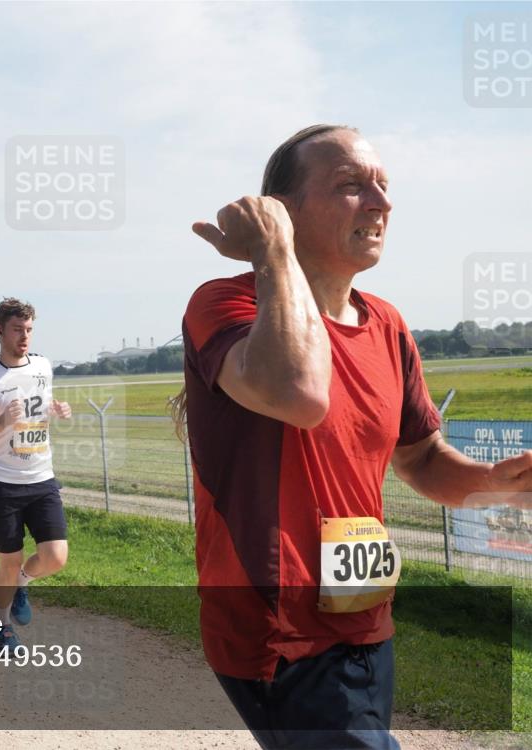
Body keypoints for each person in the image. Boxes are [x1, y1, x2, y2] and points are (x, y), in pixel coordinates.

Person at [181, 124, 532, 749]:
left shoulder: (388, 324)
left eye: (383, 187)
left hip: (365, 619)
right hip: (277, 634)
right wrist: (274, 256)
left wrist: (494, 485)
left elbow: (421, 459)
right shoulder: (224, 305)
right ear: (282, 214)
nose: (380, 203)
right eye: (350, 186)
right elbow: (299, 393)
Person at [0, 298, 72, 655]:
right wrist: (1, 421)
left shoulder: (43, 366)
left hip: (41, 478)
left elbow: (42, 407)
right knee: (8, 563)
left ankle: (24, 582)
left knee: (55, 556)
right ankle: (2, 628)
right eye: (17, 330)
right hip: (2, 485)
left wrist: (57, 409)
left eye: (29, 330)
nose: (25, 337)